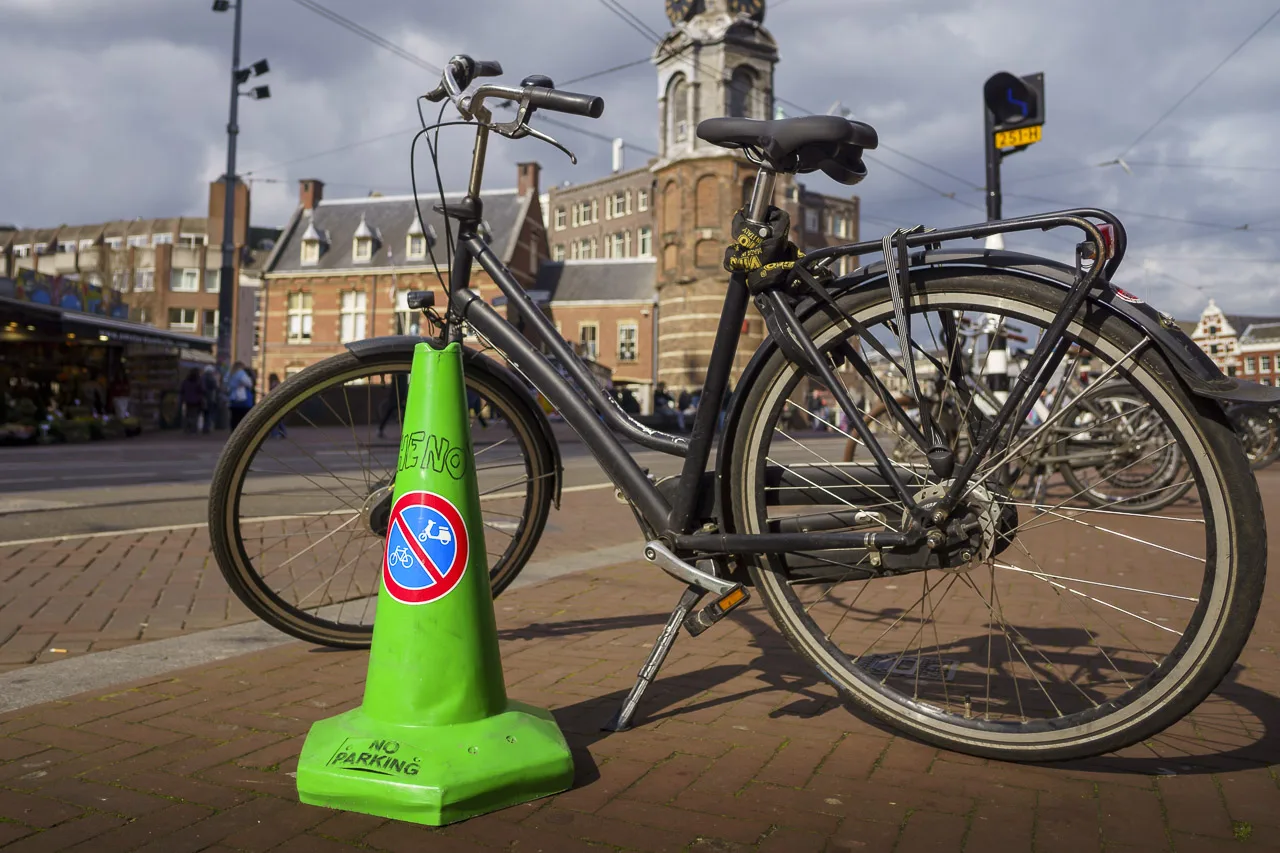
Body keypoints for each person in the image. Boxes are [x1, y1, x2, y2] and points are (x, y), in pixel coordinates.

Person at [377, 372, 411, 438]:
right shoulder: (402, 375)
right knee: (403, 414)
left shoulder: (396, 375)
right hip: (397, 397)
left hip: (395, 397)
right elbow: (403, 387)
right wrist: (404, 397)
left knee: (391, 412)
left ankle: (380, 429)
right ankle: (406, 432)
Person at [227, 361, 254, 430]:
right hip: (242, 398)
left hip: (233, 398)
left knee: (234, 417)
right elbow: (248, 383)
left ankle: (233, 432)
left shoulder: (230, 373)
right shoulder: (241, 373)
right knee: (243, 418)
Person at [179, 368, 205, 434]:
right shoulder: (198, 381)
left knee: (187, 415)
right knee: (194, 415)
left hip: (187, 400)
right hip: (196, 401)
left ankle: (186, 428)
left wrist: (182, 399)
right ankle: (193, 429)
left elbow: (182, 390)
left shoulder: (185, 381)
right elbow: (202, 390)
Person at [201, 366, 220, 433]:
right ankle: (207, 427)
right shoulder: (211, 378)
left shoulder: (202, 377)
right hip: (210, 397)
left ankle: (205, 427)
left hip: (204, 398)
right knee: (209, 413)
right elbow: (216, 386)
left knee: (205, 414)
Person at [267, 373, 286, 438]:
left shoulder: (274, 384)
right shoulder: (278, 383)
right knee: (279, 421)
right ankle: (283, 433)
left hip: (275, 405)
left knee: (275, 421)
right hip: (279, 404)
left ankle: (275, 434)